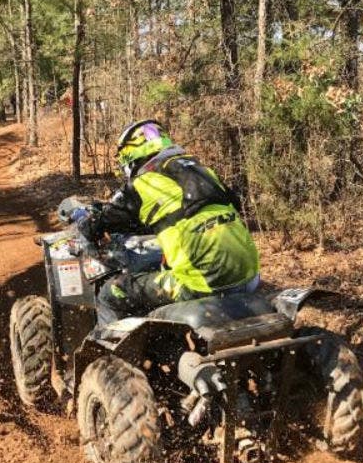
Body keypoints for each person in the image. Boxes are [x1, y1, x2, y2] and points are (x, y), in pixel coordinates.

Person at [76, 120, 260, 324]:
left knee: (111, 293)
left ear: (130, 152)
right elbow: (227, 203)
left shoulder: (143, 182)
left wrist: (87, 227)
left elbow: (106, 219)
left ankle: (108, 353)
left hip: (201, 284)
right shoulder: (202, 170)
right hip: (249, 277)